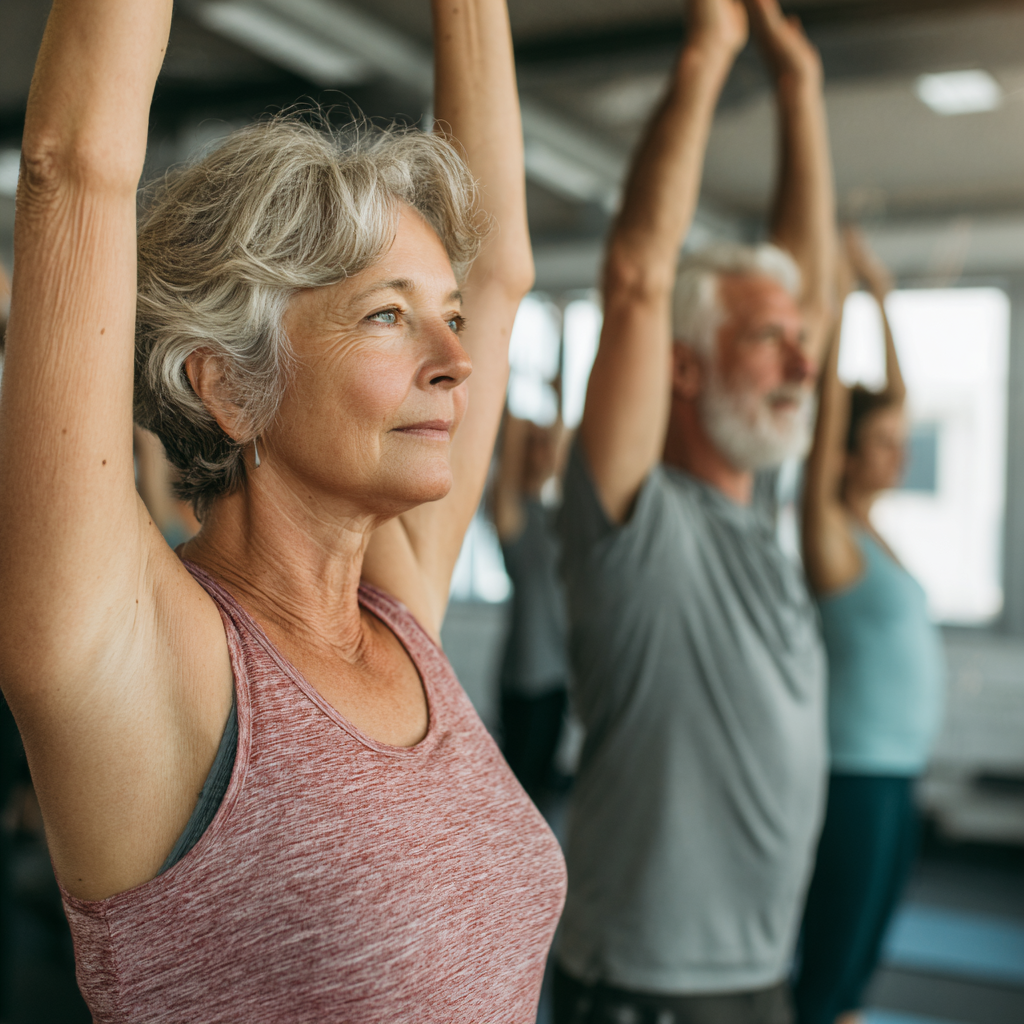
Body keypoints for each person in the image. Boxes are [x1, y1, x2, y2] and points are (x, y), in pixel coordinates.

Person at [0, 0, 566, 1019]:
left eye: (447, 317)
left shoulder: (395, 612)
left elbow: (501, 269)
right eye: (388, 316)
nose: (457, 360)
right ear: (227, 383)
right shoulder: (141, 660)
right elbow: (73, 167)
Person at [552, 0, 837, 1019]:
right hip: (646, 987)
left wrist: (801, 91)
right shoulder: (637, 528)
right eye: (768, 340)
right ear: (683, 367)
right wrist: (712, 47)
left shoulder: (756, 517)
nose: (802, 361)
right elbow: (635, 278)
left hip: (758, 976)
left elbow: (813, 299)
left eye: (798, 339)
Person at [794, 229, 946, 1024]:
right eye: (880, 445)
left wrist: (885, 299)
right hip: (850, 773)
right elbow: (833, 417)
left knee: (861, 969)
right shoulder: (828, 530)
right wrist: (848, 301)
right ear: (845, 455)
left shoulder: (877, 531)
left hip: (896, 775)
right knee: (828, 966)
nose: (896, 456)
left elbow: (894, 401)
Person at [492, 408, 571, 801]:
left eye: (548, 444)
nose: (544, 450)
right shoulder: (512, 515)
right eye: (535, 444)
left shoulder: (558, 516)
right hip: (526, 678)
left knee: (544, 794)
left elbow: (565, 445)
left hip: (559, 674)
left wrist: (558, 397)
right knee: (519, 796)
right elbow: (511, 453)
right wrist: (521, 427)